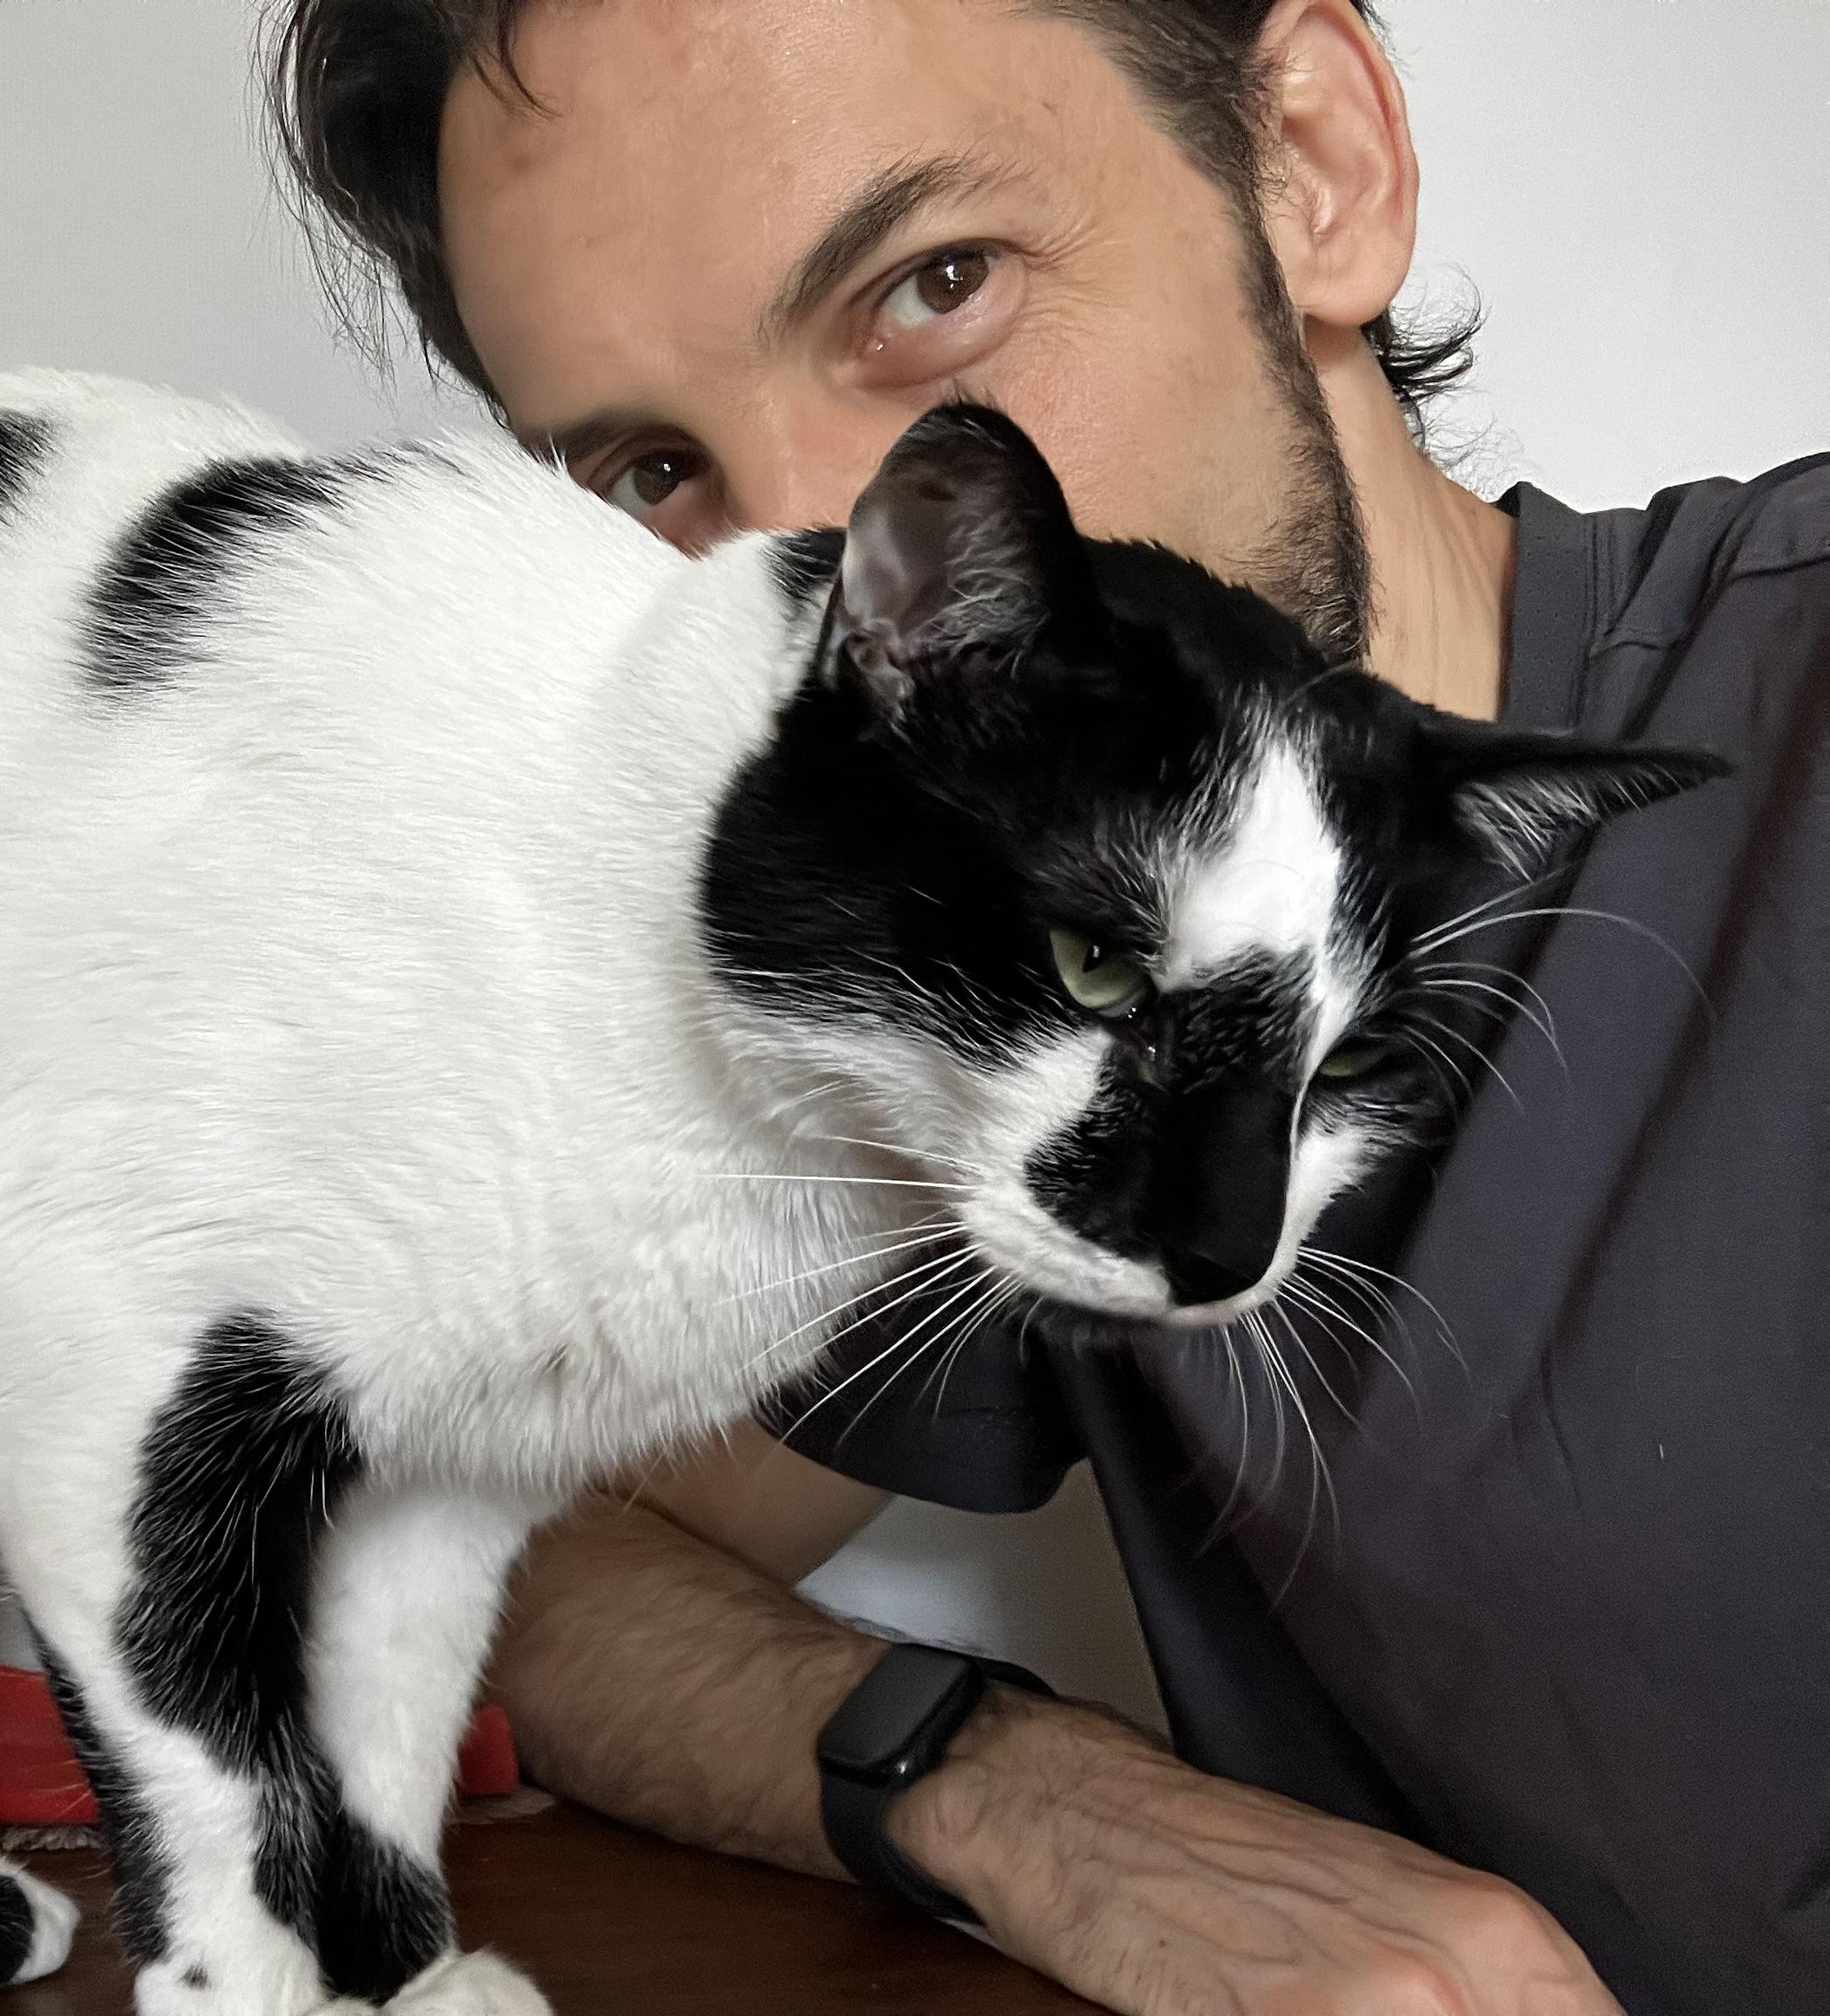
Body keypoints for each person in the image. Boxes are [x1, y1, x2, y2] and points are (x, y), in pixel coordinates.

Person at [271, 3, 1829, 2013]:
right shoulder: (975, 999)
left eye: (930, 289)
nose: (816, 595)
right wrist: (1014, 1790)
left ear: (1309, 165)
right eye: (654, 466)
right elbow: (501, 1533)